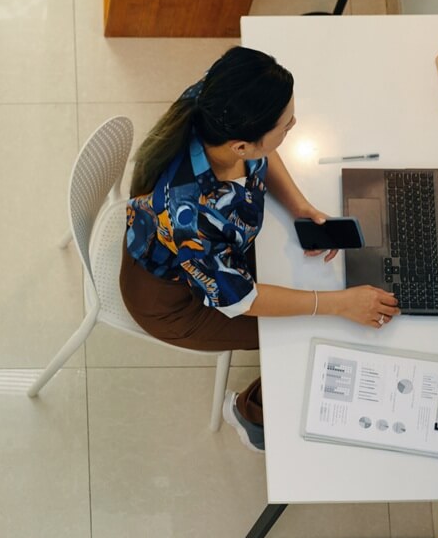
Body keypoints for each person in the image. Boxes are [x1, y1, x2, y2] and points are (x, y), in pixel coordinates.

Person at [122, 47, 399, 453]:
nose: (293, 126)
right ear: (240, 146)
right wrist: (337, 304)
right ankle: (251, 414)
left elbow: (261, 157)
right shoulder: (190, 216)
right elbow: (242, 300)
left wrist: (298, 204)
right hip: (173, 300)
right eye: (285, 126)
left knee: (319, 306)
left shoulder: (215, 103)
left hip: (213, 258)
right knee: (311, 329)